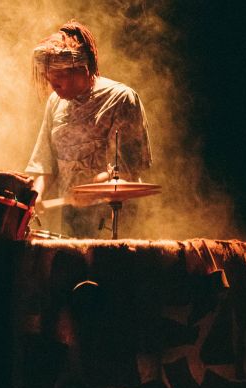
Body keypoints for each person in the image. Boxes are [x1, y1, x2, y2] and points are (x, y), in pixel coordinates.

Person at [26, 20, 152, 238]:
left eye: (59, 78)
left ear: (82, 69)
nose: (53, 86)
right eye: (49, 79)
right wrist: (34, 197)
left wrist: (90, 189)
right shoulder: (55, 102)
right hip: (71, 214)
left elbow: (125, 172)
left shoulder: (120, 99)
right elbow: (45, 162)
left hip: (112, 215)